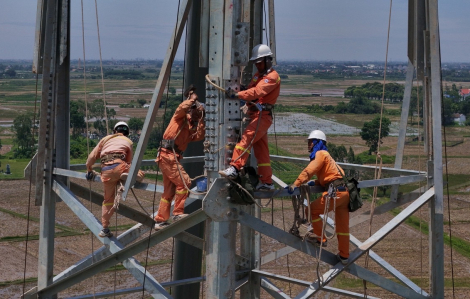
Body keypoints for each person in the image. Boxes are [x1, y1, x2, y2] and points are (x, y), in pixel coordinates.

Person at [219, 44, 281, 190]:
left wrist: (237, 94)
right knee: (261, 151)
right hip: (256, 115)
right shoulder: (258, 76)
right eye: (256, 63)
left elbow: (256, 92)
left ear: (267, 60)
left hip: (262, 116)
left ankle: (235, 167)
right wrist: (239, 88)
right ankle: (266, 182)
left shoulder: (272, 77)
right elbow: (250, 89)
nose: (257, 66)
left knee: (246, 139)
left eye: (259, 62)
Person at [286, 130, 350, 265]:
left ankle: (321, 239)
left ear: (317, 143)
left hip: (335, 192)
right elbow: (330, 177)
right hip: (344, 193)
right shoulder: (329, 158)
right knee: (342, 226)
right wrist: (314, 183)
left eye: (310, 142)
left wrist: (295, 184)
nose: (308, 145)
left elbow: (310, 170)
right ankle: (344, 255)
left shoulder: (321, 154)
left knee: (312, 210)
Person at [154, 85, 205, 230]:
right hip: (168, 155)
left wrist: (201, 120)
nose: (198, 113)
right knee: (185, 182)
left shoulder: (189, 127)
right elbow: (181, 108)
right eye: (197, 111)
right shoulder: (180, 118)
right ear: (191, 109)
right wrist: (192, 99)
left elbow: (199, 136)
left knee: (169, 191)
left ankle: (160, 220)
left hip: (171, 156)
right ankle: (177, 212)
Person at [86, 121, 145, 238]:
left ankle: (105, 228)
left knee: (108, 200)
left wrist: (89, 170)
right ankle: (131, 177)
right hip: (120, 166)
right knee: (140, 173)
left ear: (114, 131)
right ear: (126, 132)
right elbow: (129, 161)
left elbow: (92, 157)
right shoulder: (128, 141)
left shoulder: (105, 139)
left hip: (106, 170)